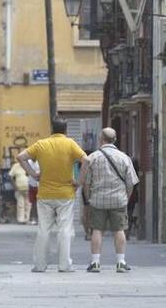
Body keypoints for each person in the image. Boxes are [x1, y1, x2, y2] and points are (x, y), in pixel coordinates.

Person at [17, 117, 87, 272]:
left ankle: (40, 265)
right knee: (65, 229)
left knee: (43, 229)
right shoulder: (70, 144)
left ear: (51, 129)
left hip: (45, 194)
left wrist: (33, 174)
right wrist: (79, 181)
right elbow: (86, 160)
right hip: (66, 194)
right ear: (66, 130)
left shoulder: (42, 144)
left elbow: (21, 157)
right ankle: (64, 265)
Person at [82, 128, 139, 273]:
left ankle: (95, 263)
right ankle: (121, 262)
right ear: (115, 140)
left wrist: (89, 198)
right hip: (118, 200)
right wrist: (126, 197)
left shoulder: (92, 158)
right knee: (119, 230)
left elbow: (86, 183)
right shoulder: (124, 158)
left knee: (97, 230)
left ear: (101, 139)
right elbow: (131, 182)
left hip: (98, 200)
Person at [9, 159, 31, 224]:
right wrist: (14, 186)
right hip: (19, 189)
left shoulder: (28, 165)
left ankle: (27, 219)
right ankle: (21, 220)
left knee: (28, 204)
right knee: (20, 204)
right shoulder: (15, 166)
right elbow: (10, 176)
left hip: (28, 188)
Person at [125, 158, 140, 240]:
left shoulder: (127, 172)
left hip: (125, 196)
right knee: (130, 215)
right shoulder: (135, 175)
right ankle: (127, 233)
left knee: (126, 215)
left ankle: (126, 232)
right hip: (133, 198)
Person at [27, 158, 40, 225]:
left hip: (39, 185)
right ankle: (33, 218)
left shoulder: (40, 161)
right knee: (33, 203)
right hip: (31, 184)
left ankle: (39, 219)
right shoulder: (28, 162)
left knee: (40, 203)